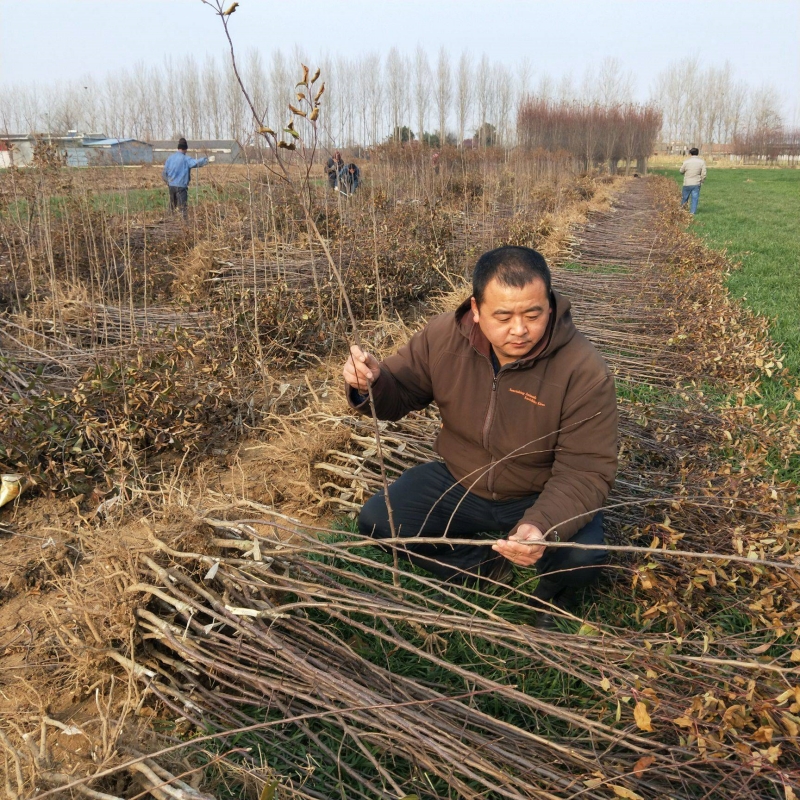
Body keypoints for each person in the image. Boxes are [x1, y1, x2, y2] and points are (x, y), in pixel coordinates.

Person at [343, 246, 619, 625]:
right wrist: (371, 384)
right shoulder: (442, 337)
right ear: (476, 309)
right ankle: (484, 567)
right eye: (503, 316)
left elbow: (586, 470)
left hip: (537, 491)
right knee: (379, 520)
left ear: (550, 307)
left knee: (582, 557)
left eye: (533, 314)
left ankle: (549, 597)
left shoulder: (584, 371)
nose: (519, 329)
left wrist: (540, 524)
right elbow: (399, 392)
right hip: (461, 479)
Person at [162, 138, 209, 217]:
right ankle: (184, 225)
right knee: (183, 208)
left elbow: (164, 173)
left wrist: (168, 182)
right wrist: (207, 160)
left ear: (178, 147)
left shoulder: (170, 158)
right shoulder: (186, 159)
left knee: (172, 207)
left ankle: (168, 222)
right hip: (181, 187)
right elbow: (196, 163)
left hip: (171, 186)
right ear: (186, 148)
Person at [679, 147, 707, 215]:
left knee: (685, 198)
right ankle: (692, 213)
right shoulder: (702, 162)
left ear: (690, 153)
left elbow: (681, 171)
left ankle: (682, 211)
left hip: (687, 183)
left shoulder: (686, 162)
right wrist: (702, 181)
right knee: (695, 199)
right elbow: (704, 174)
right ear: (698, 153)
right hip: (696, 183)